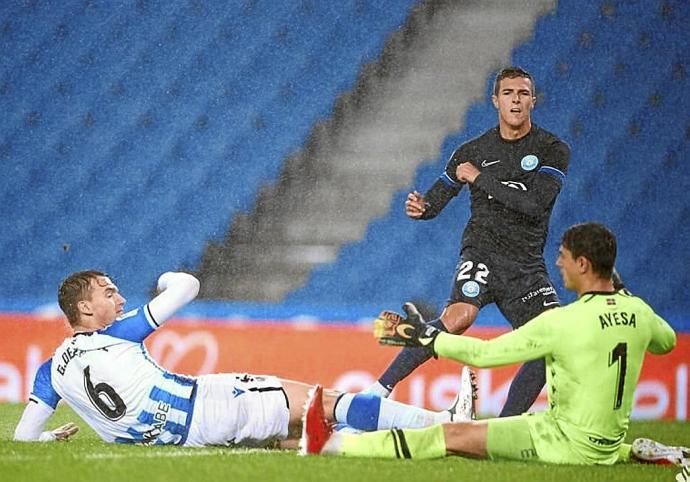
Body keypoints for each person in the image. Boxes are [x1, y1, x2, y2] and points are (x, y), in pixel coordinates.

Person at [303, 222, 689, 466]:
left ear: (584, 265)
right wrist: (622, 291)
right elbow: (667, 343)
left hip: (563, 443)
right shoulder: (638, 312)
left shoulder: (562, 322)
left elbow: (485, 355)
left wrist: (426, 336)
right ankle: (634, 452)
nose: (558, 264)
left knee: (451, 437)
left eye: (564, 258)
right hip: (603, 443)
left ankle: (333, 447)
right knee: (558, 435)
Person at [13, 270, 476, 447]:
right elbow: (187, 287)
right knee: (326, 402)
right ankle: (445, 423)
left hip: (184, 442)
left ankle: (426, 443)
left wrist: (52, 436)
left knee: (298, 439)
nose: (118, 296)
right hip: (209, 404)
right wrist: (167, 275)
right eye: (108, 292)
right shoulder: (119, 332)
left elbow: (24, 435)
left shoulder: (49, 367)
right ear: (86, 310)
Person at [369, 66, 570, 418]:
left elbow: (533, 205)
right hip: (483, 252)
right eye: (508, 93)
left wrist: (480, 178)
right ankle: (378, 389)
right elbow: (437, 198)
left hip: (525, 265)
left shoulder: (552, 149)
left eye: (523, 94)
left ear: (533, 102)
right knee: (459, 316)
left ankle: (504, 426)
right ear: (496, 101)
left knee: (551, 343)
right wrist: (422, 207)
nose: (516, 100)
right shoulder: (473, 150)